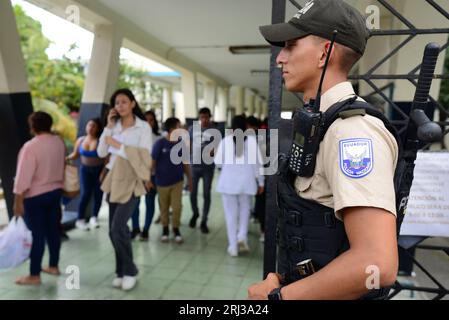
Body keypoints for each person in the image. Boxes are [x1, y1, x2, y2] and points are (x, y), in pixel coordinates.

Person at [249, 0, 400, 300]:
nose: (280, 58)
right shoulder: (324, 123)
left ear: (324, 53)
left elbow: (377, 264)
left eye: (291, 45)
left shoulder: (352, 131)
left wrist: (278, 298)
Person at [98, 88, 153, 291]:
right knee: (114, 232)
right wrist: (108, 129)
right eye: (116, 103)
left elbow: (144, 157)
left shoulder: (143, 127)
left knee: (117, 228)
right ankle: (120, 271)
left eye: (123, 101)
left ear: (132, 103)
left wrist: (117, 144)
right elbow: (101, 151)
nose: (119, 106)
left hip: (132, 180)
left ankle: (130, 271)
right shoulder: (114, 126)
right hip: (113, 180)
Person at [13, 111, 66, 286]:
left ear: (33, 126)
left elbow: (23, 177)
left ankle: (34, 275)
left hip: (34, 197)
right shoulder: (59, 143)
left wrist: (18, 201)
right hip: (55, 193)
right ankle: (53, 266)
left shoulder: (31, 146)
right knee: (53, 231)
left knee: (37, 235)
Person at [215, 115, 265, 257]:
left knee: (231, 216)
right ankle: (242, 237)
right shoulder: (252, 141)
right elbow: (258, 165)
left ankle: (233, 247)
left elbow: (218, 163)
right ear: (246, 126)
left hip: (228, 184)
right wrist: (260, 182)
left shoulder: (225, 141)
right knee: (244, 213)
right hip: (247, 184)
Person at [151, 117, 192, 244]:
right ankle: (165, 230)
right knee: (164, 208)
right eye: (179, 127)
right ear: (171, 129)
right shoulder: (160, 143)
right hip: (161, 182)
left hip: (177, 182)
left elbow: (185, 164)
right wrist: (148, 179)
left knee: (177, 207)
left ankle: (176, 229)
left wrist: (190, 180)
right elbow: (152, 163)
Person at [67, 118, 105, 230]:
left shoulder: (100, 141)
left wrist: (103, 172)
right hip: (85, 170)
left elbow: (106, 159)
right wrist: (64, 159)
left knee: (98, 194)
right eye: (89, 125)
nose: (91, 128)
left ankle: (94, 217)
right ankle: (80, 219)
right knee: (86, 193)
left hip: (98, 170)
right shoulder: (81, 140)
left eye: (94, 126)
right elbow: (75, 155)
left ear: (98, 128)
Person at [131, 110, 162, 241]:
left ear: (154, 122)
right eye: (146, 120)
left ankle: (146, 230)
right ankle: (135, 228)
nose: (148, 123)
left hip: (153, 176)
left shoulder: (159, 138)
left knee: (150, 203)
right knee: (135, 204)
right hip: (137, 176)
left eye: (151, 120)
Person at [188, 107, 216, 234]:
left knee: (206, 194)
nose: (204, 120)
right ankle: (195, 213)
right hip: (194, 167)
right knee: (192, 193)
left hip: (207, 169)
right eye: (202, 117)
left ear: (210, 117)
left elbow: (218, 148)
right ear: (199, 118)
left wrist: (213, 151)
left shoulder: (214, 131)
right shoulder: (193, 129)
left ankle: (204, 220)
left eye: (206, 117)